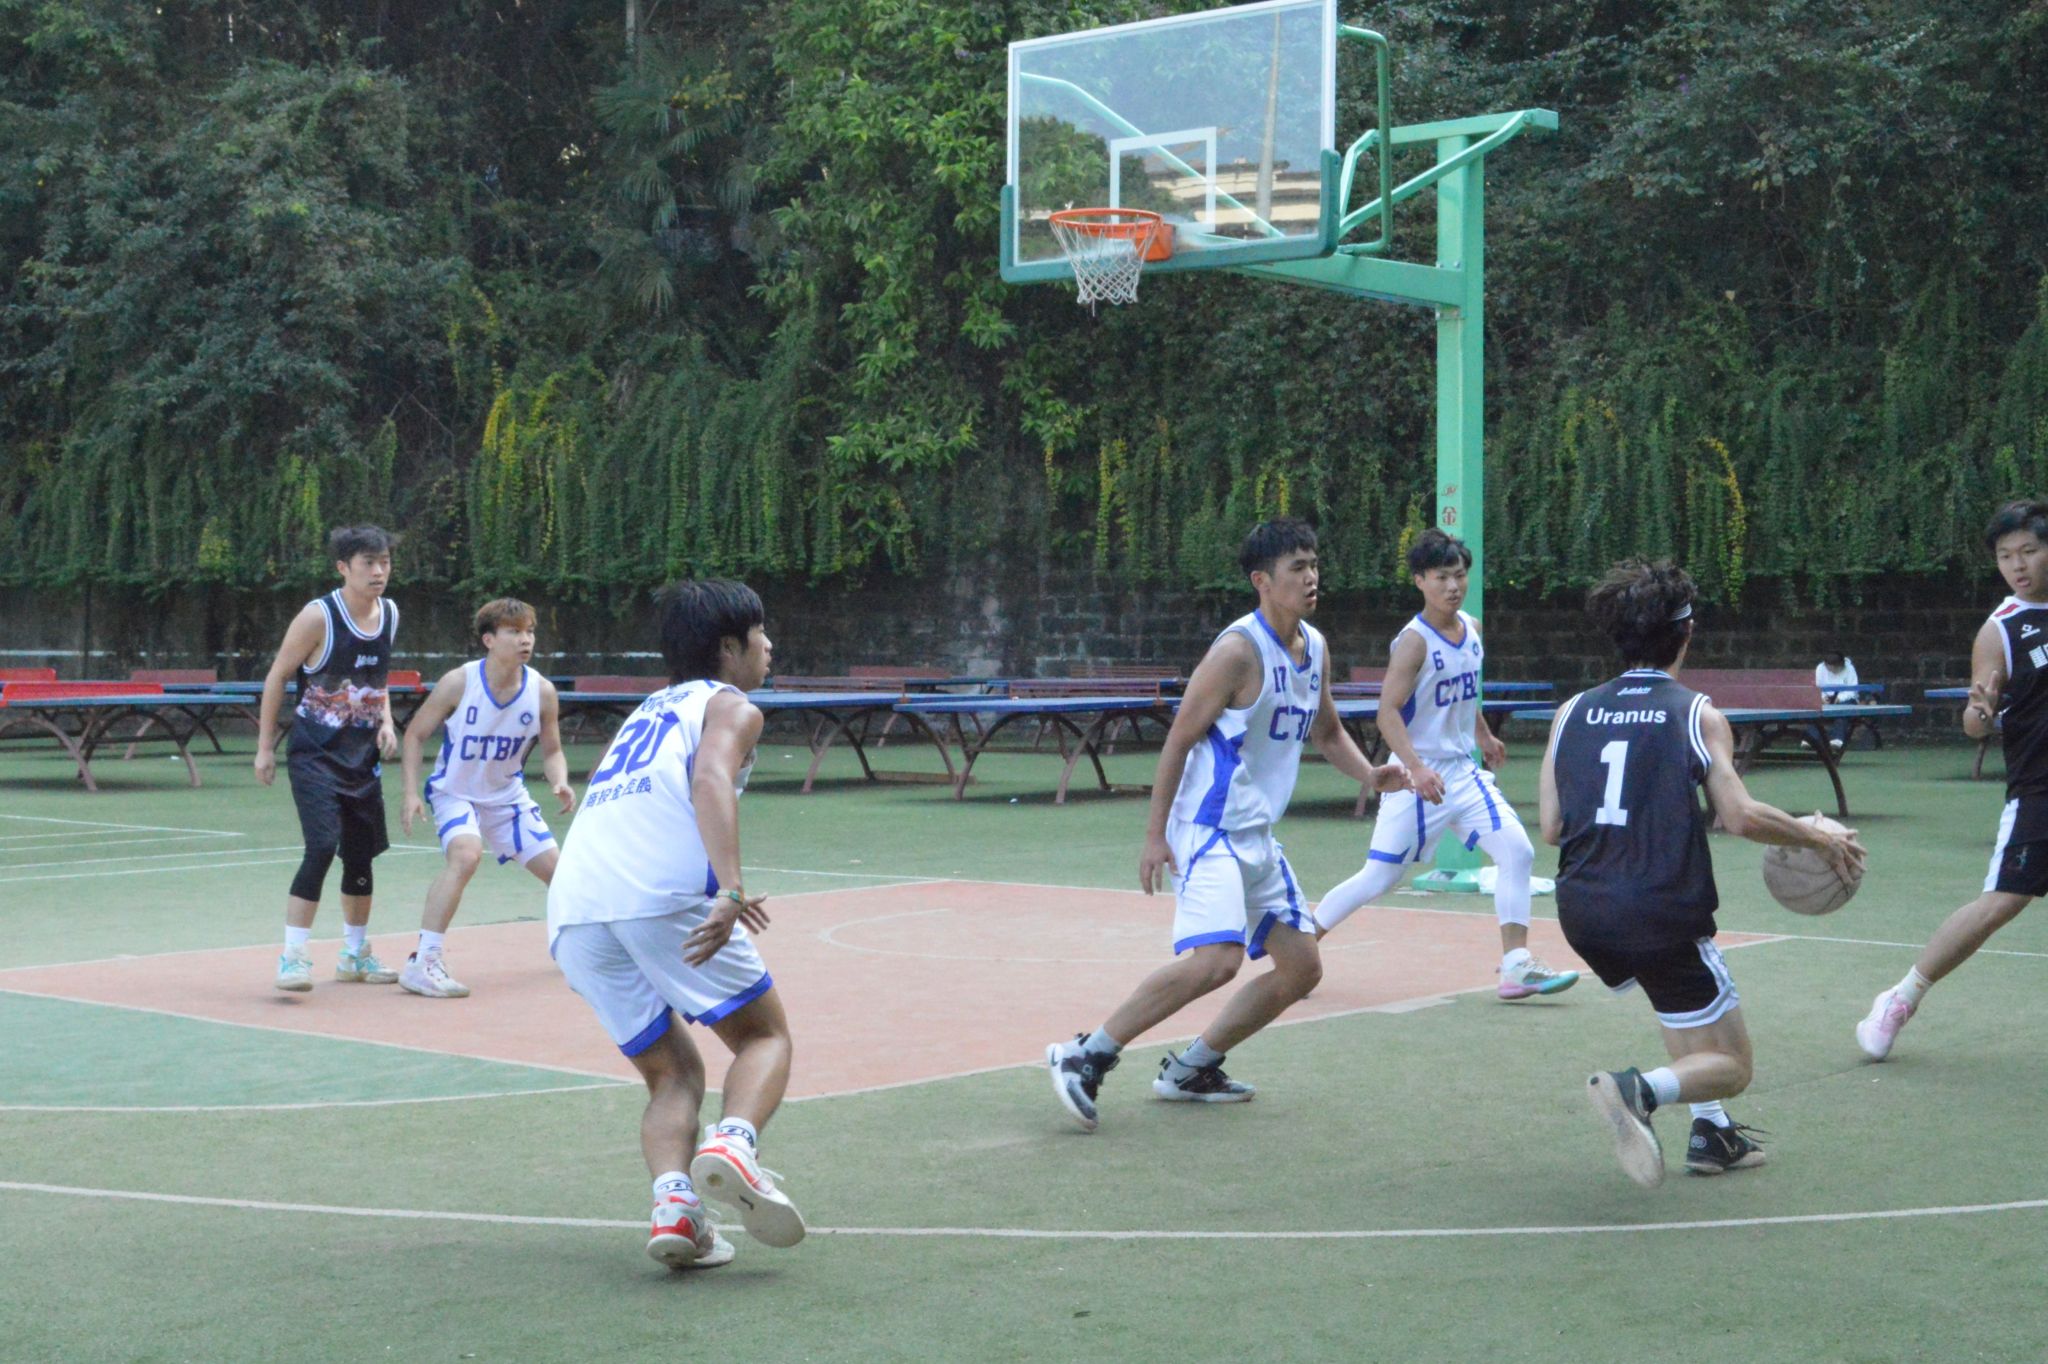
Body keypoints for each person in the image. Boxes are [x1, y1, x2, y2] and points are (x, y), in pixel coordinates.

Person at [1046, 519, 1409, 1132]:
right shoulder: (1237, 652)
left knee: (1302, 968)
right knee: (1217, 960)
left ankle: (1191, 1069)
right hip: (1208, 825)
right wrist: (1155, 834)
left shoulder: (1315, 647)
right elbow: (1180, 739)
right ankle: (1086, 1054)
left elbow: (1326, 731)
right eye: (1297, 567)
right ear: (1262, 581)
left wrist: (1370, 775)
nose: (1312, 577)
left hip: (1255, 831)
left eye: (1314, 564)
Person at [1539, 559, 1864, 1185]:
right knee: (1733, 1065)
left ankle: (1712, 1133)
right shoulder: (1695, 713)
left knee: (1678, 1000)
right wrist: (1816, 837)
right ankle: (1639, 1090)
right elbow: (1739, 816)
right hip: (1656, 908)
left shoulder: (1571, 711)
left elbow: (1552, 827)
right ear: (1686, 633)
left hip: (1582, 908)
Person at [545, 579, 803, 1268]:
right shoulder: (731, 706)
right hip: (655, 897)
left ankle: (676, 1209)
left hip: (573, 911)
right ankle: (736, 1145)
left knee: (672, 1075)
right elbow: (709, 779)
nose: (769, 645)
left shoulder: (646, 712)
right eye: (760, 634)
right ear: (729, 647)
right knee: (764, 1036)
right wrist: (730, 887)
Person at [1312, 528, 1579, 999]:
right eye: (1441, 577)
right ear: (1420, 580)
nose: (1453, 586)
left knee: (1517, 851)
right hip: (1419, 777)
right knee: (1379, 877)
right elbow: (1387, 713)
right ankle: (1301, 943)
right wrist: (1415, 768)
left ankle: (1516, 966)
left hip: (1463, 772)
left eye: (1459, 575)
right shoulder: (1413, 643)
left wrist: (1482, 733)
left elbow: (1462, 692)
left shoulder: (1471, 628)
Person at [1855, 499, 2048, 1061]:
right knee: (2002, 903)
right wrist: (1980, 713)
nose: (2018, 565)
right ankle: (1902, 997)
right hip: (2039, 788)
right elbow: (1973, 722)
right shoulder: (2000, 630)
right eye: (2006, 556)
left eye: (2029, 551)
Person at [397, 598, 575, 998]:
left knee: (564, 878)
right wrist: (410, 793)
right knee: (466, 855)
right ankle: (424, 961)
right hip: (455, 793)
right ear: (489, 640)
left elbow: (552, 751)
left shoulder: (542, 691)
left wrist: (560, 780)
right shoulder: (459, 683)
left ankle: (577, 949)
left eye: (529, 632)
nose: (525, 640)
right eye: (514, 632)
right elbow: (415, 735)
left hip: (507, 798)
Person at [256, 526, 403, 993]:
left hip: (362, 758)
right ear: (343, 568)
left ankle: (355, 954)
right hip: (315, 754)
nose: (379, 571)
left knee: (361, 856)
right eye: (368, 563)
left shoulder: (390, 614)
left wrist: (386, 722)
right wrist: (264, 747)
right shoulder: (318, 616)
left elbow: (378, 680)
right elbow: (277, 677)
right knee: (321, 846)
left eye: (384, 562)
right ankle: (293, 958)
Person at [1815, 649, 1860, 749]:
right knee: (1816, 710)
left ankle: (1837, 738)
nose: (1832, 671)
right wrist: (1822, 698)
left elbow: (1853, 691)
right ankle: (1811, 738)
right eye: (1829, 668)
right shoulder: (1820, 668)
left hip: (1846, 700)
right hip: (1827, 699)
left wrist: (1839, 698)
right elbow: (1817, 687)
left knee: (1842, 710)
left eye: (1835, 668)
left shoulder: (1850, 669)